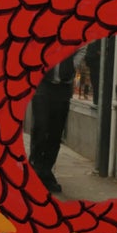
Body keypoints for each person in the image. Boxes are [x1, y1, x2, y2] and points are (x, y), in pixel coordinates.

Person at [28, 52, 76, 195]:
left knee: (56, 133)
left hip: (63, 87)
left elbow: (83, 46)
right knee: (40, 128)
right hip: (42, 84)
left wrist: (72, 66)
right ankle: (35, 168)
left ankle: (45, 172)